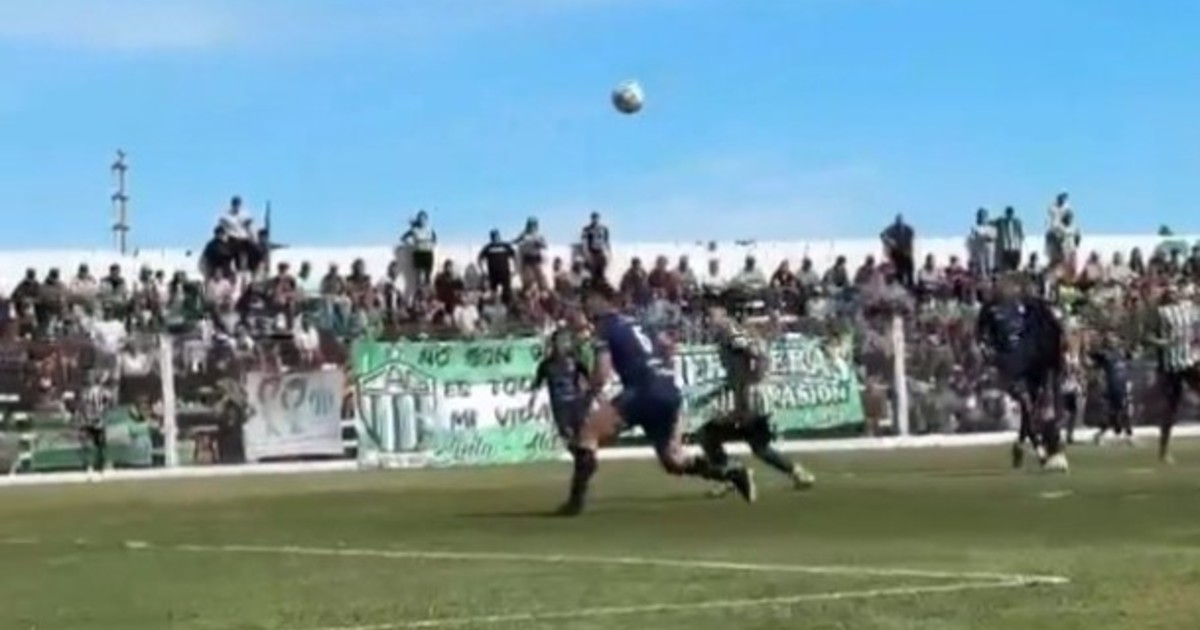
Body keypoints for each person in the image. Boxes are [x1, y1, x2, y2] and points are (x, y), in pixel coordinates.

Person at [558, 282, 755, 516]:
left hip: (642, 391)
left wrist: (587, 393)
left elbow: (602, 373)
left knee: (587, 435)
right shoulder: (638, 323)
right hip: (667, 390)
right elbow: (668, 348)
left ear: (599, 299)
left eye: (587, 300)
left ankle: (575, 504)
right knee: (674, 461)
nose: (585, 306)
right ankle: (732, 472)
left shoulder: (605, 326)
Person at [696, 305, 815, 498]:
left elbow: (755, 352)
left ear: (724, 315)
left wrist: (753, 379)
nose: (707, 320)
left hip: (750, 399)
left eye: (711, 315)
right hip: (752, 396)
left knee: (708, 434)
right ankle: (797, 472)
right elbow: (742, 366)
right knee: (759, 446)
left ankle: (732, 476)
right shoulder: (731, 334)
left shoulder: (730, 331)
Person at [976, 274, 1067, 471]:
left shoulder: (1021, 307)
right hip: (1007, 365)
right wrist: (989, 356)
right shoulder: (988, 309)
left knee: (1031, 409)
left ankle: (1020, 444)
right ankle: (1041, 451)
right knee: (1027, 404)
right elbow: (981, 336)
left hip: (1028, 362)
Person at [1146, 282, 1200, 464]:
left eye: (1176, 291)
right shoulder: (1161, 313)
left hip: (1190, 361)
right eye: (1171, 292)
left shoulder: (1189, 309)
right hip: (1170, 365)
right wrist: (1164, 343)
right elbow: (1148, 336)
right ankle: (1164, 450)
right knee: (1170, 408)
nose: (1175, 295)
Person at [528, 328, 591, 444]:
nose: (562, 345)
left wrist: (590, 395)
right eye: (559, 341)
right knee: (565, 432)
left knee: (580, 431)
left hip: (575, 401)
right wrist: (532, 401)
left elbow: (589, 378)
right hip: (559, 404)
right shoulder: (546, 365)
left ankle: (581, 451)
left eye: (565, 341)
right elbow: (537, 384)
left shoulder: (575, 361)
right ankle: (576, 448)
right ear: (553, 344)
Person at [1088, 330, 1134, 446]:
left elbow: (1131, 358)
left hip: (1122, 385)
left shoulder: (1122, 352)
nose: (1112, 340)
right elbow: (1092, 357)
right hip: (1112, 386)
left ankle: (1127, 434)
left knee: (1123, 411)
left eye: (1113, 337)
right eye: (1109, 338)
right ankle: (1108, 434)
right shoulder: (1104, 354)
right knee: (1114, 413)